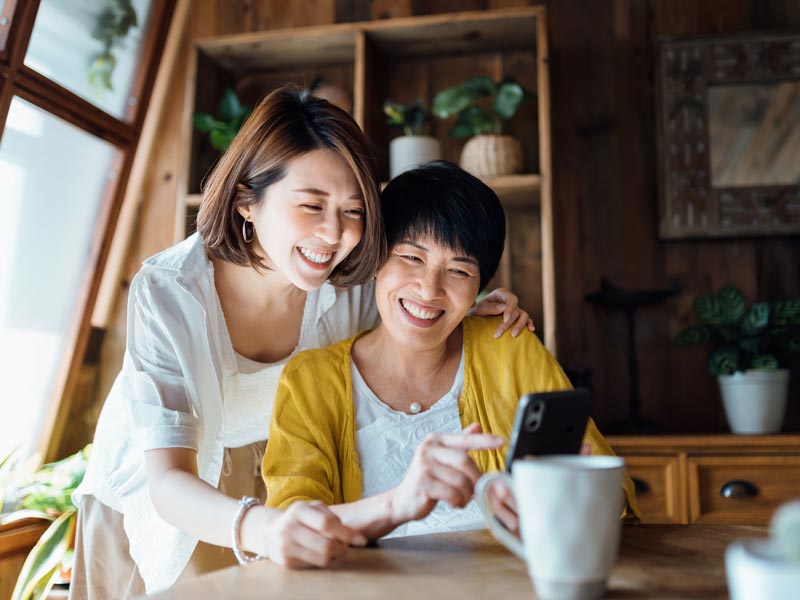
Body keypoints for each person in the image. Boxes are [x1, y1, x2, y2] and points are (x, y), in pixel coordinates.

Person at [70, 87, 533, 599]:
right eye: (312, 205)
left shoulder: (348, 283)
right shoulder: (169, 291)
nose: (334, 235)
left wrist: (476, 305)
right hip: (161, 497)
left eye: (354, 210)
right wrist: (261, 526)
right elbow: (167, 481)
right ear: (247, 199)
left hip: (277, 487)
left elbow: (417, 298)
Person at [263, 161, 639, 540]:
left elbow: (612, 484)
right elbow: (291, 525)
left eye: (459, 271)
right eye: (412, 258)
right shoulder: (309, 381)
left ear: (480, 284)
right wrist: (396, 503)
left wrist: (577, 495)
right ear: (376, 258)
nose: (429, 290)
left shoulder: (508, 348)